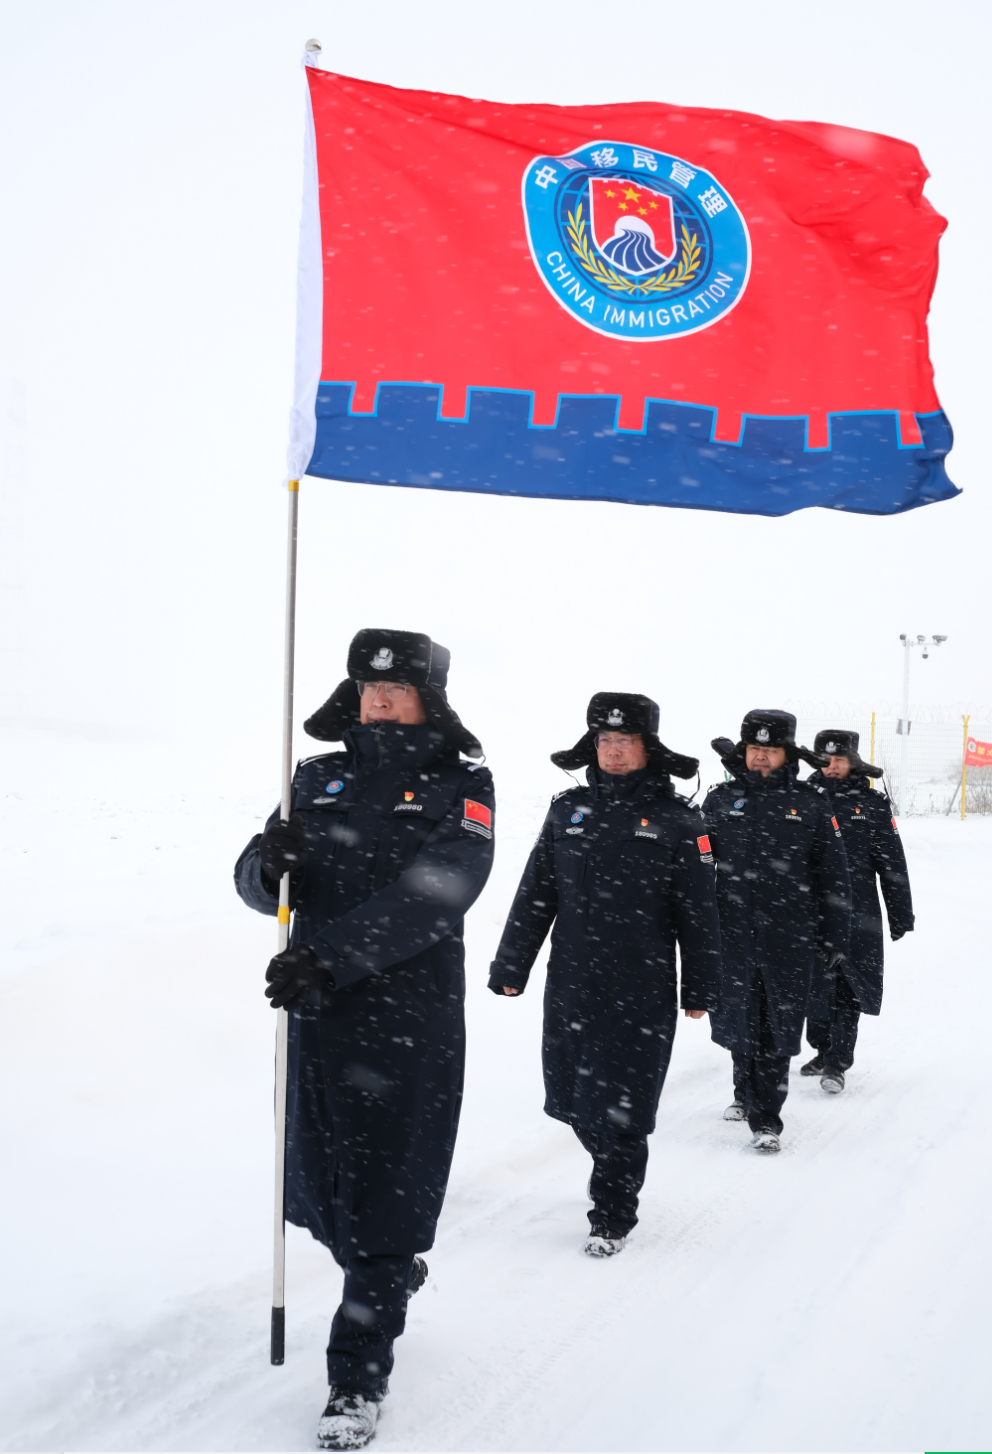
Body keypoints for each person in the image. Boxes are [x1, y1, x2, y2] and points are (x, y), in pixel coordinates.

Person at [234, 629, 494, 1452]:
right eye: (367, 686)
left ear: (428, 699)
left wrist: (334, 956)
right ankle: (386, 1266)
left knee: (388, 1187)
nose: (378, 699)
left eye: (397, 688)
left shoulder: (463, 783)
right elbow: (254, 882)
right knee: (321, 1182)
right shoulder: (314, 778)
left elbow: (441, 889)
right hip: (316, 1012)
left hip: (408, 1017)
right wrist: (265, 864)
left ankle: (356, 1378)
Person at [488, 693, 721, 1256]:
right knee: (571, 1096)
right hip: (571, 980)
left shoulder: (680, 820)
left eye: (625, 741)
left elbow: (699, 912)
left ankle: (613, 1211)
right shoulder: (567, 811)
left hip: (641, 984)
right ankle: (608, 1164)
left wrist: (700, 986)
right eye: (605, 740)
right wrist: (512, 963)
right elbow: (536, 892)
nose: (613, 751)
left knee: (624, 1104)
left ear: (648, 748)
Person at [704, 710, 851, 1153]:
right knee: (737, 1018)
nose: (761, 757)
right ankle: (742, 1092)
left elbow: (833, 874)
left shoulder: (811, 804)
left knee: (778, 1026)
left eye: (770, 750)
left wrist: (835, 935)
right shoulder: (720, 801)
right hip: (730, 935)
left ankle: (767, 1117)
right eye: (754, 748)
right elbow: (697, 869)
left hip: (790, 937)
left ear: (787, 754)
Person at [801, 729, 914, 1092]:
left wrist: (900, 913)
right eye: (826, 759)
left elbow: (891, 863)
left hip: (857, 911)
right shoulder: (801, 799)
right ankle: (822, 1049)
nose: (832, 766)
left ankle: (837, 1061)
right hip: (809, 911)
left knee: (847, 986)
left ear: (853, 761)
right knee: (813, 986)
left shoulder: (872, 805)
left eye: (840, 759)